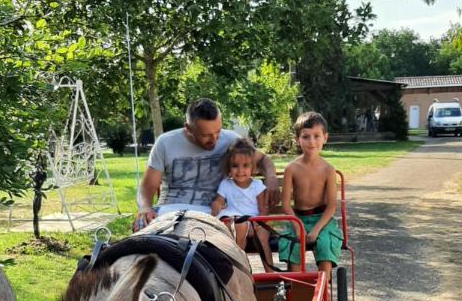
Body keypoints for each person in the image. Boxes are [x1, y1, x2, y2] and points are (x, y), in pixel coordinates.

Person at [133, 98, 279, 229]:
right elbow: (147, 186)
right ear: (188, 128)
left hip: (211, 213)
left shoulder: (230, 140)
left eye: (218, 132)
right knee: (141, 228)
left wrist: (271, 178)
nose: (214, 139)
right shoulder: (165, 142)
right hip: (169, 210)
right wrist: (145, 207)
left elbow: (263, 160)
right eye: (206, 135)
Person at [279, 111, 342, 278]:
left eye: (316, 136)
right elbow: (286, 204)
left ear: (325, 138)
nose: (311, 141)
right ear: (297, 139)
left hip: (321, 219)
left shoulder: (328, 170)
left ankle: (323, 290)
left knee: (325, 243)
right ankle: (296, 287)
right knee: (292, 244)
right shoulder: (291, 168)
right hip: (297, 219)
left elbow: (331, 206)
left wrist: (316, 230)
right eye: (306, 137)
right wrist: (297, 227)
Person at [210, 138, 274, 269]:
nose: (240, 171)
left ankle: (271, 273)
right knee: (237, 225)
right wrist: (216, 204)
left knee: (262, 237)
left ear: (253, 168)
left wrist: (258, 222)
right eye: (235, 166)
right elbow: (219, 200)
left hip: (255, 221)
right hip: (235, 220)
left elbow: (264, 208)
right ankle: (239, 265)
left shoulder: (257, 186)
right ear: (229, 167)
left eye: (245, 166)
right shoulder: (226, 184)